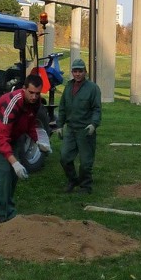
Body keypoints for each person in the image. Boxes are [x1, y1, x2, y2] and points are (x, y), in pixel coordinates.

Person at [0, 73, 50, 223]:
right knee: (5, 171)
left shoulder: (36, 103)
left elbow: (30, 124)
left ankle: (8, 207)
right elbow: (2, 138)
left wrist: (39, 141)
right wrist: (15, 162)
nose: (34, 97)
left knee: (13, 175)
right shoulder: (12, 103)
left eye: (37, 94)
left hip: (14, 133)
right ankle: (2, 215)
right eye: (31, 93)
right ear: (24, 89)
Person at [56, 58, 102, 193]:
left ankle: (86, 186)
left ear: (85, 72)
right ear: (72, 72)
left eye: (80, 71)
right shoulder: (68, 87)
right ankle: (72, 179)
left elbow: (97, 109)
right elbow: (63, 106)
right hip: (70, 129)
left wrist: (93, 124)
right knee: (64, 157)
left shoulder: (93, 88)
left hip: (85, 130)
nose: (77, 74)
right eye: (75, 71)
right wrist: (59, 125)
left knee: (86, 162)